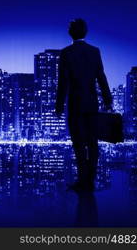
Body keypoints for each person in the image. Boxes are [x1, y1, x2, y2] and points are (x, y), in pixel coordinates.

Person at [55, 18, 112, 192]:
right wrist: (108, 99)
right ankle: (91, 181)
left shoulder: (66, 53)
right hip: (92, 104)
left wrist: (59, 105)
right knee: (93, 143)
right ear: (85, 32)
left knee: (78, 143)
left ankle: (82, 181)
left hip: (75, 105)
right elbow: (101, 77)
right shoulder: (94, 51)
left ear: (70, 32)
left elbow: (63, 82)